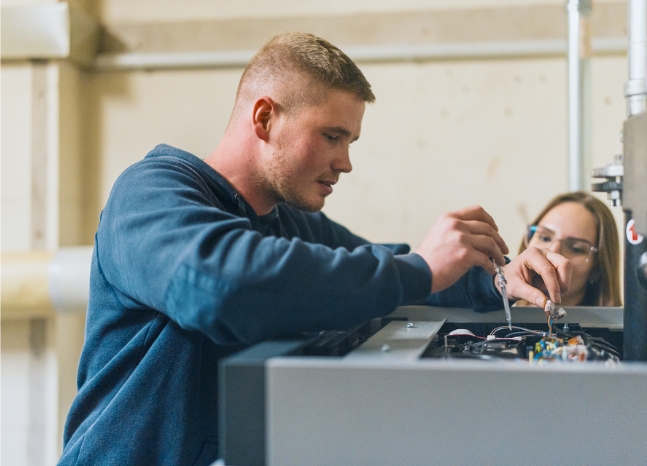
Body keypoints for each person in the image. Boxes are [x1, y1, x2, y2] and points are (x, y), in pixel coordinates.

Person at [58, 32, 571, 466]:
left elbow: (381, 271)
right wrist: (419, 269)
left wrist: (492, 276)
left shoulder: (291, 222)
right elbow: (224, 285)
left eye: (350, 142)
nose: (345, 162)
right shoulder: (152, 192)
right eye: (331, 136)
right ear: (264, 119)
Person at [517, 191, 622, 307]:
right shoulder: (498, 311)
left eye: (575, 249)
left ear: (596, 269)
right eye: (545, 238)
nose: (553, 252)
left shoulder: (628, 325)